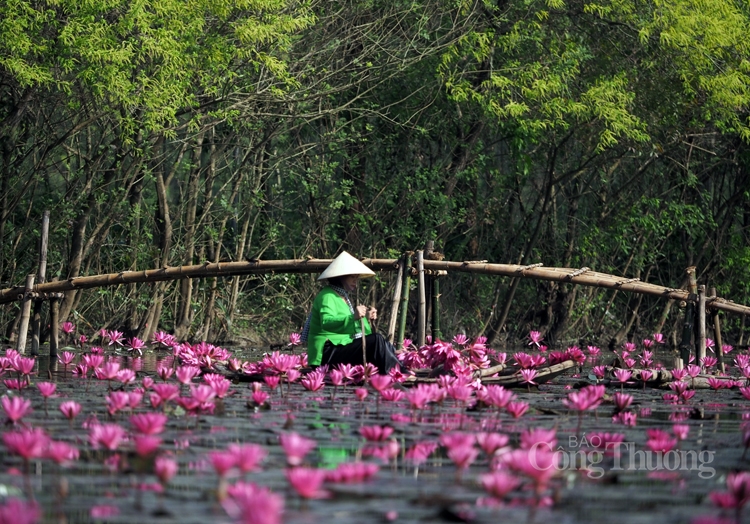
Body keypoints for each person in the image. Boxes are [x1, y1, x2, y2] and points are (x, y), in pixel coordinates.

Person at [303, 251, 401, 374]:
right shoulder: (327, 296)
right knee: (376, 340)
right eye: (352, 277)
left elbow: (355, 329)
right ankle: (397, 372)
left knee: (378, 340)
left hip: (340, 348)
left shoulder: (343, 297)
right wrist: (353, 317)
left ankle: (397, 370)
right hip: (326, 354)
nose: (355, 281)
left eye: (356, 277)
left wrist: (366, 318)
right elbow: (326, 323)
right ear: (340, 277)